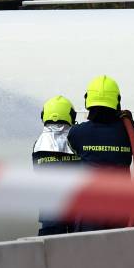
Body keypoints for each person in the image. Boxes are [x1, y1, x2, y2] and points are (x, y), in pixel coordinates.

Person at [67, 75, 134, 229]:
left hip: (89, 210)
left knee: (85, 250)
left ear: (88, 100)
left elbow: (74, 149)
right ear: (117, 101)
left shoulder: (77, 133)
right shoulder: (129, 132)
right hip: (120, 208)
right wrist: (130, 122)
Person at [33, 95, 81, 236]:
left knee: (50, 249)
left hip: (49, 211)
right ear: (71, 115)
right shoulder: (76, 139)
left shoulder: (39, 143)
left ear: (44, 115)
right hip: (76, 209)